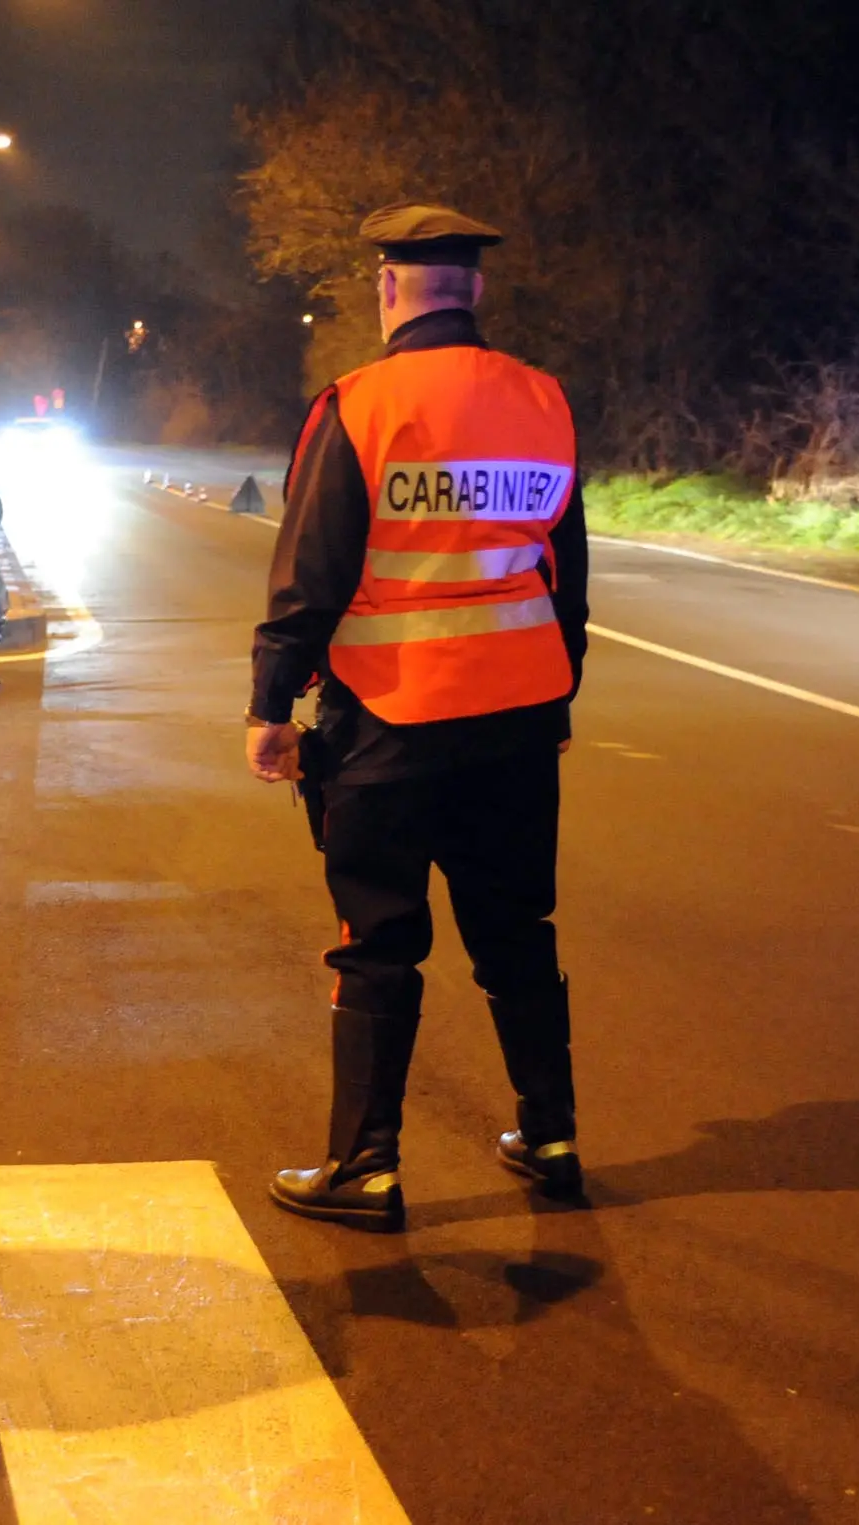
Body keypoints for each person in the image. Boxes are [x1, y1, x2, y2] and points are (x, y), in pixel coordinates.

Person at [246, 203, 591, 1234]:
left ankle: (365, 1165)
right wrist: (561, 692)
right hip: (519, 718)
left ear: (387, 288)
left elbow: (311, 573)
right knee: (517, 930)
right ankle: (552, 1135)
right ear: (474, 289)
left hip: (391, 718)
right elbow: (565, 572)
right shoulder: (544, 401)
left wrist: (271, 702)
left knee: (378, 939)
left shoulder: (359, 402)